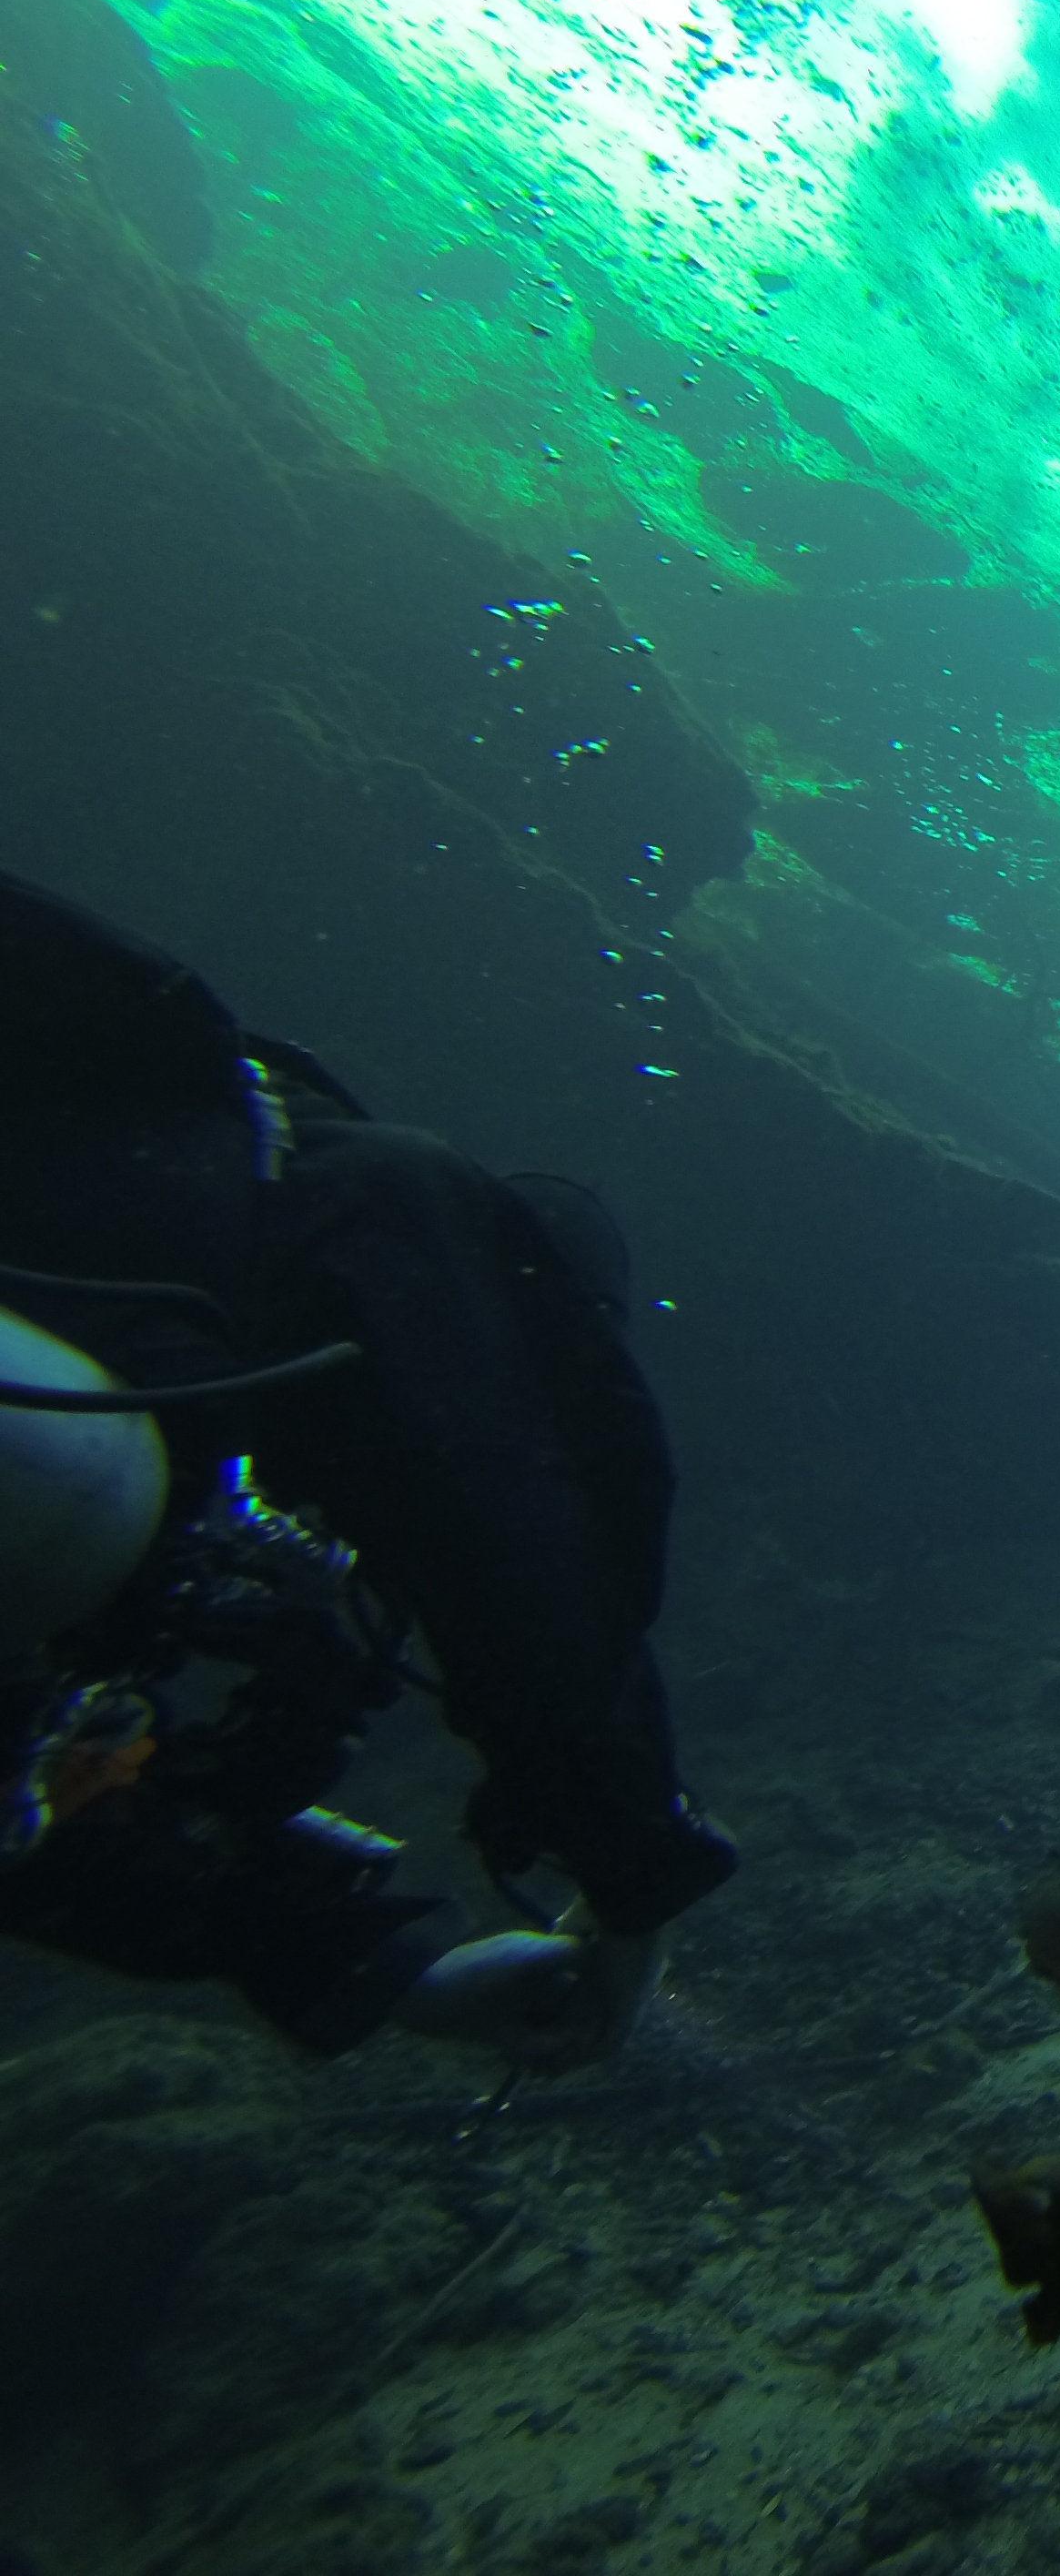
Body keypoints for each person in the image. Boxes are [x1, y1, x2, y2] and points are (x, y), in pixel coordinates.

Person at [0, 870, 733, 2067]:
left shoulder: (107, 1225)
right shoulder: (341, 1189)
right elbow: (519, 1530)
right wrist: (635, 1867)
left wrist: (388, 1966)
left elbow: (26, 1806)